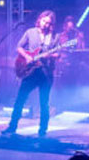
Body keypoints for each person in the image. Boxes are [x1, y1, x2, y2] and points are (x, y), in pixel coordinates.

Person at [6, 10, 60, 138]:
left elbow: (58, 54)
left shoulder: (54, 37)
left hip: (46, 74)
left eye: (48, 23)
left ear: (51, 24)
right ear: (39, 19)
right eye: (44, 21)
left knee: (44, 103)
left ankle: (42, 131)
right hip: (30, 72)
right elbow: (19, 47)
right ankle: (12, 126)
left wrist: (51, 55)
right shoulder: (30, 32)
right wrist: (27, 56)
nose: (45, 24)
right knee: (20, 99)